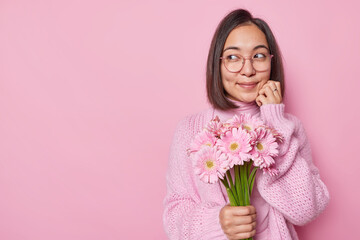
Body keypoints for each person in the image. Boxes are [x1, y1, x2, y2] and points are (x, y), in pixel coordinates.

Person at [163, 9, 329, 240]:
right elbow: (174, 215)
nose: (248, 70)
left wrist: (275, 122)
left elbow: (306, 209)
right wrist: (217, 222)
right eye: (233, 57)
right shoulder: (190, 129)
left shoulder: (289, 127)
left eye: (259, 56)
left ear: (272, 62)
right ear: (217, 64)